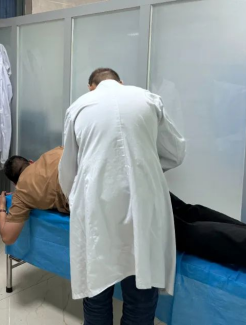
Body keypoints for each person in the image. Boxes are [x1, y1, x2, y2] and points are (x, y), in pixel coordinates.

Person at [0, 148, 246, 288]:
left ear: (15, 180)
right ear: (30, 160)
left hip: (111, 197)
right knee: (189, 211)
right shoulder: (55, 152)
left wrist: (3, 206)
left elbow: (8, 236)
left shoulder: (22, 192)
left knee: (180, 233)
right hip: (133, 176)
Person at [56, 67, 184, 325]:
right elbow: (175, 153)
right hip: (143, 205)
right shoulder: (149, 99)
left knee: (96, 290)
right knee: (141, 288)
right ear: (121, 82)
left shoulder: (78, 108)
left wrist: (77, 198)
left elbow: (68, 172)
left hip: (96, 208)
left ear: (91, 87)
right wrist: (143, 169)